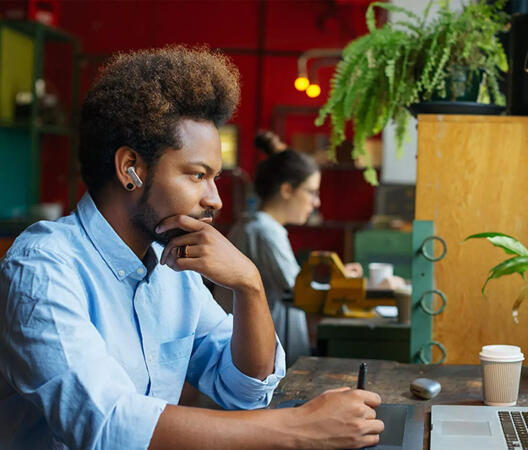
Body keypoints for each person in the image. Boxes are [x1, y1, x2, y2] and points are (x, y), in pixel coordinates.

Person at [0, 46, 383, 449]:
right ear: (130, 168)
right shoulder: (43, 267)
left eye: (214, 177)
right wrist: (300, 428)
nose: (215, 199)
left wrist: (248, 285)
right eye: (197, 175)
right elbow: (108, 426)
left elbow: (244, 390)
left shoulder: (169, 268)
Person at [227, 132, 362, 359]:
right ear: (287, 190)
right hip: (266, 358)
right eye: (311, 192)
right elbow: (300, 293)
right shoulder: (264, 231)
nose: (316, 202)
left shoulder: (258, 227)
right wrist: (341, 280)